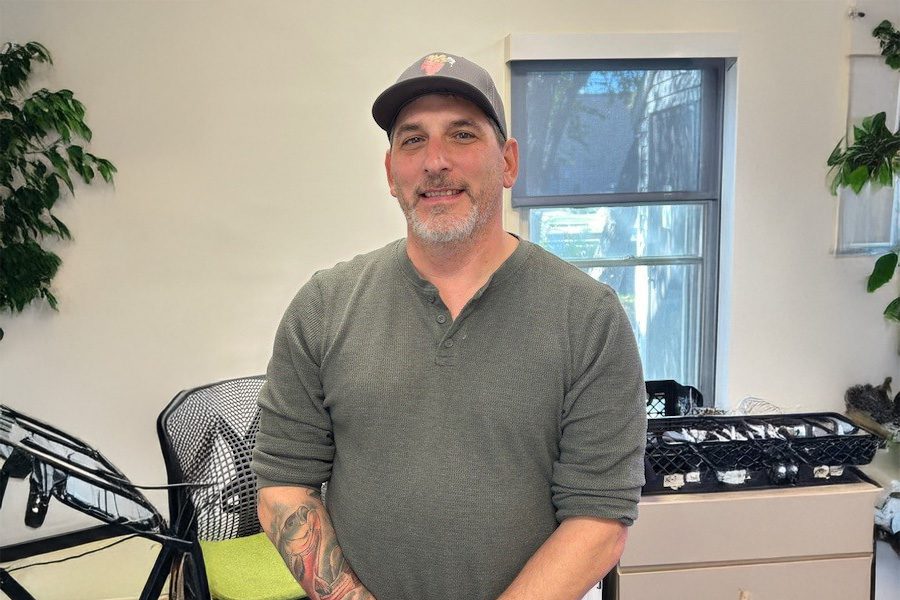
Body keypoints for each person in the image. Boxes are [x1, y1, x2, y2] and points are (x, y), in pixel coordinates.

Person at [251, 52, 647, 600]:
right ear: (391, 172)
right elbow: (282, 483)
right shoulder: (324, 306)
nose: (435, 161)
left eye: (462, 135)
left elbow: (599, 519)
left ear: (508, 162)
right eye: (412, 140)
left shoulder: (588, 318)